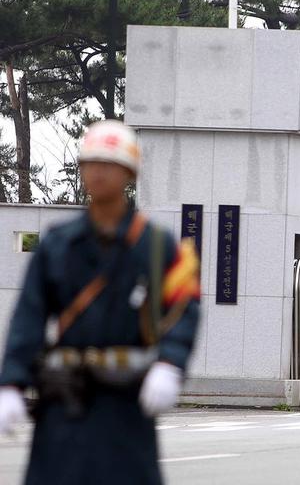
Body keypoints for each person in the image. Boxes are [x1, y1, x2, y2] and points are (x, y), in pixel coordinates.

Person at [0, 120, 200, 484]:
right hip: (64, 404)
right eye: (90, 163)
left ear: (129, 172)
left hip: (126, 403)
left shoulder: (156, 245)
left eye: (108, 163)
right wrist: (11, 382)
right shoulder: (57, 244)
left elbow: (184, 305)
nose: (97, 172)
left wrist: (171, 363)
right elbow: (29, 315)